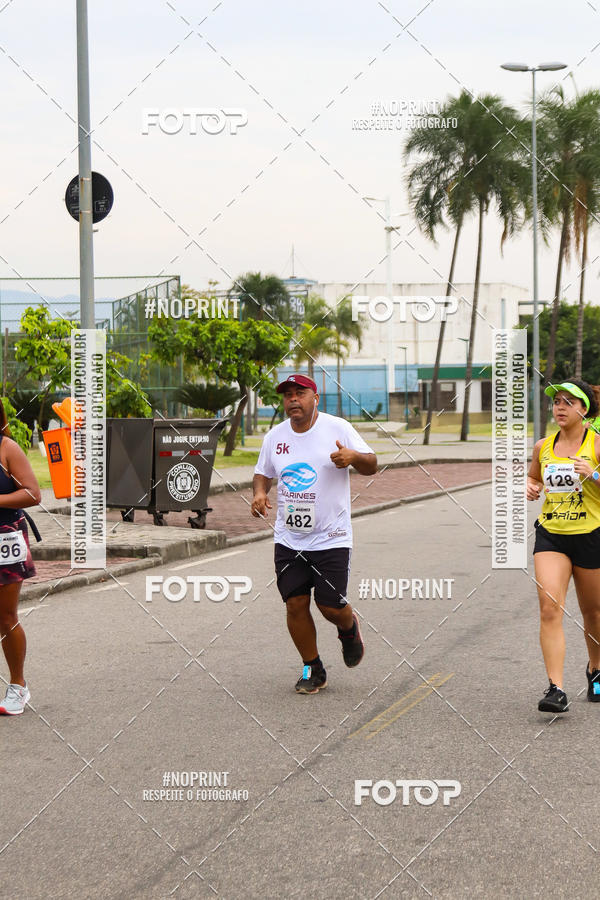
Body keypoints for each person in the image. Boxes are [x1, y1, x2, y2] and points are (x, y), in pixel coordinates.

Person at [251, 374, 377, 694]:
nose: (293, 399)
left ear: (315, 398)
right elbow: (262, 473)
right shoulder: (275, 437)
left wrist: (353, 457)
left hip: (331, 536)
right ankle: (312, 668)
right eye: (288, 395)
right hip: (289, 538)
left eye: (300, 393)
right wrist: (259, 493)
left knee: (330, 606)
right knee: (295, 605)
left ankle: (348, 629)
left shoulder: (338, 428)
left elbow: (372, 464)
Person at [527, 379, 600, 713]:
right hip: (552, 535)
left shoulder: (597, 446)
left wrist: (594, 475)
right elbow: (535, 477)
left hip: (590, 535)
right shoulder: (543, 446)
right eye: (557, 401)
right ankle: (555, 688)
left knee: (593, 613)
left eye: (569, 402)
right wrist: (530, 486)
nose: (560, 407)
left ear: (584, 409)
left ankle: (595, 668)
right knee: (549, 606)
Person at [0, 405, 42, 716]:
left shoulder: (6, 448)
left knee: (5, 616)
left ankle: (18, 686)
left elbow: (33, 493)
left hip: (5, 537)